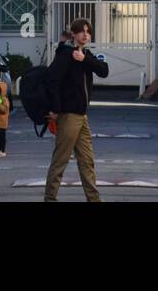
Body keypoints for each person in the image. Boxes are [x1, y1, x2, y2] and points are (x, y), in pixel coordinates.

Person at [43, 18, 109, 202]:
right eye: (81, 31)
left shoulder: (85, 54)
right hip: (68, 115)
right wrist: (55, 109)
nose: (85, 34)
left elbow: (104, 71)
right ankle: (50, 199)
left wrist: (85, 59)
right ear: (73, 33)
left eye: (88, 31)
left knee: (87, 160)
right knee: (61, 160)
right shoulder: (65, 55)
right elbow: (52, 82)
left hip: (82, 116)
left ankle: (93, 199)